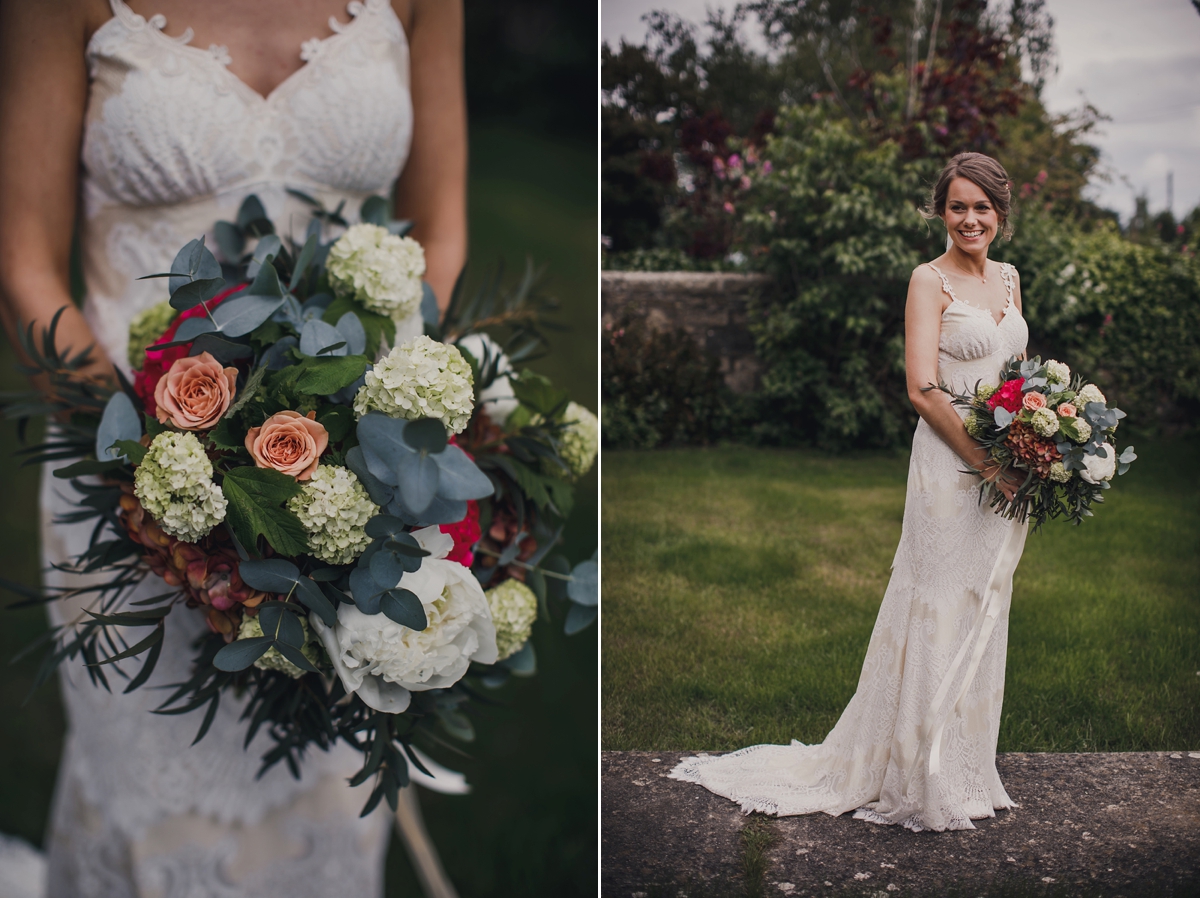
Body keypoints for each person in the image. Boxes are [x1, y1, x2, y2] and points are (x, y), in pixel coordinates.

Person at [0, 0, 465, 892]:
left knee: (324, 802)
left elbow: (439, 230)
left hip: (353, 497)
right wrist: (151, 478)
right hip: (127, 487)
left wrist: (386, 435)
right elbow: (24, 259)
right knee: (150, 818)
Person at [671, 152, 1031, 833]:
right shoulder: (928, 282)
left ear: (1000, 213)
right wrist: (985, 461)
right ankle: (914, 773)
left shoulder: (1011, 279)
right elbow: (921, 387)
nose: (970, 218)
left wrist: (1035, 439)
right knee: (933, 603)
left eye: (982, 207)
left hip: (1004, 462)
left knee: (983, 602)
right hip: (952, 469)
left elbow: (1014, 374)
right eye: (958, 206)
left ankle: (964, 767)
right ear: (941, 211)